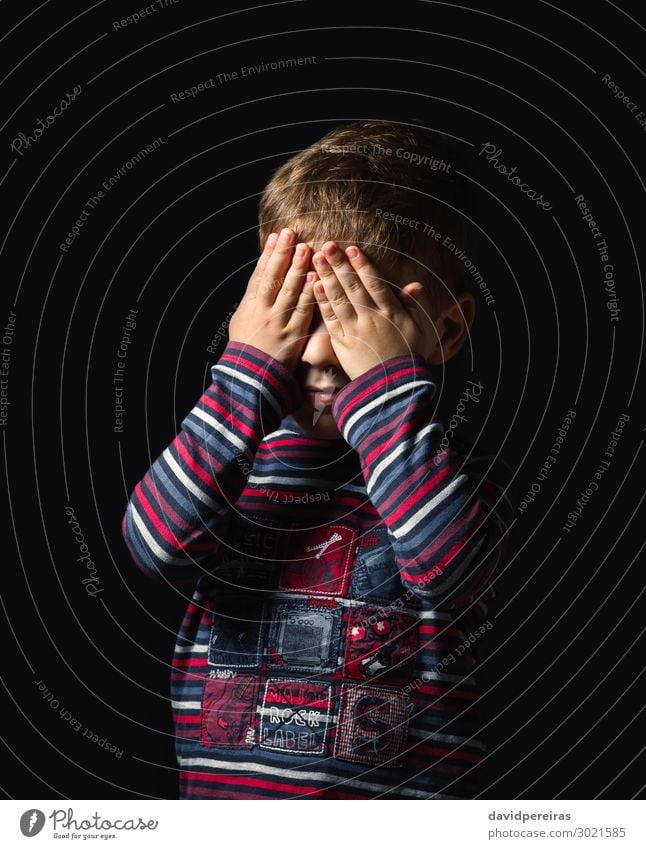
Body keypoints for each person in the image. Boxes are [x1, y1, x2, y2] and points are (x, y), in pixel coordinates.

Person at [121, 120, 515, 799]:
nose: (319, 354)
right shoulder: (230, 463)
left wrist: (384, 388)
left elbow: (445, 567)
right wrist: (240, 377)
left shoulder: (455, 483)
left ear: (445, 328)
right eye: (302, 311)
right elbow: (151, 543)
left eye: (355, 316)